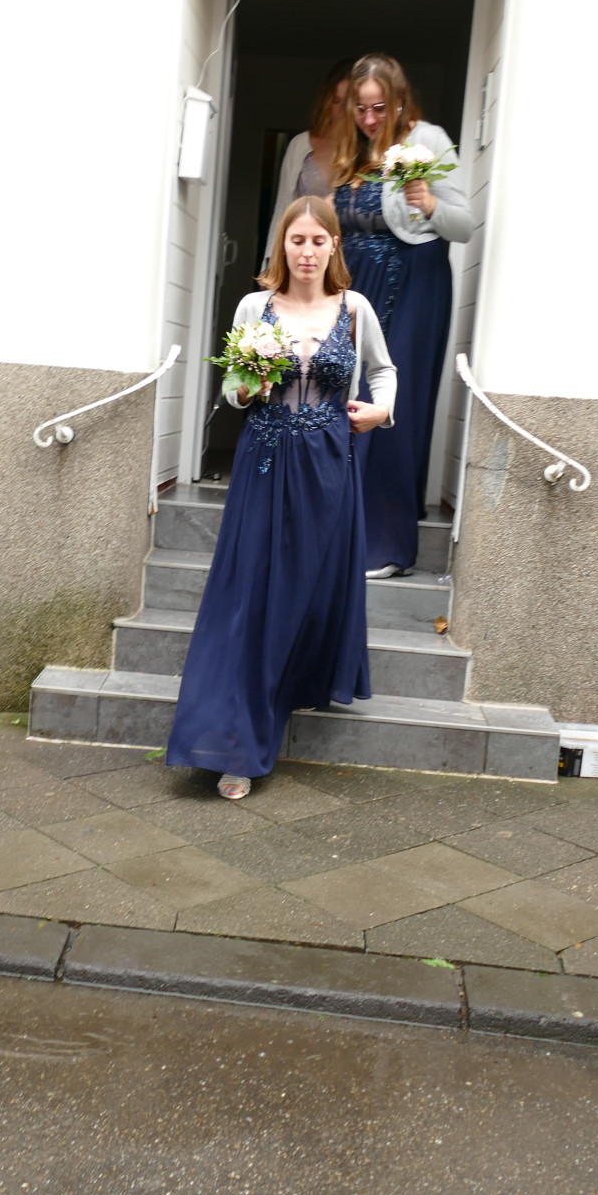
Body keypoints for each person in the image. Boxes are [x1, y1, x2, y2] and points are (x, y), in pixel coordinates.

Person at [165, 196, 396, 800]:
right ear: (283, 245)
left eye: (319, 241)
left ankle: (291, 684)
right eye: (298, 240)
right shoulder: (255, 306)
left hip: (329, 463)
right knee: (251, 593)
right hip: (263, 459)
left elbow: (383, 371)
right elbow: (232, 386)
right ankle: (237, 744)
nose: (307, 252)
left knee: (308, 589)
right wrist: (246, 391)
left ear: (334, 245)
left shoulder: (355, 308)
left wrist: (382, 411)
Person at [329, 54, 473, 578]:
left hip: (412, 282)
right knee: (342, 391)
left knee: (392, 399)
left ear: (400, 100)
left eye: (379, 107)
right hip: (357, 287)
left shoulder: (429, 139)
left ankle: (385, 544)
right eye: (360, 108)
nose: (369, 119)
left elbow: (464, 225)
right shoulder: (353, 148)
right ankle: (340, 529)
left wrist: (428, 202)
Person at [264, 59, 355, 252]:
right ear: (326, 102)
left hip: (351, 256)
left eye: (349, 102)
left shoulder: (368, 152)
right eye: (336, 101)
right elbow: (283, 208)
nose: (342, 110)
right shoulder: (300, 145)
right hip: (305, 253)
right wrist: (272, 260)